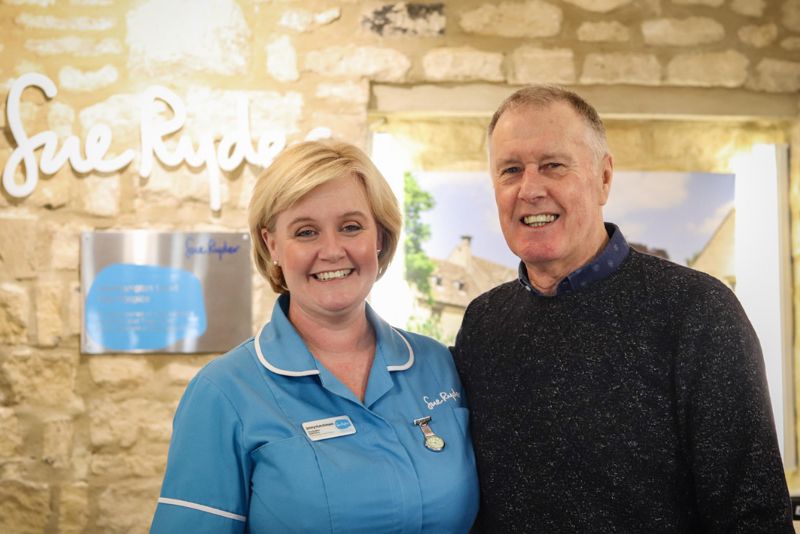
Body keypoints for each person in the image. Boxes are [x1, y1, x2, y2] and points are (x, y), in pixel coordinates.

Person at [452, 85, 793, 532]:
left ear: (604, 178)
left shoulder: (697, 311)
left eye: (553, 165)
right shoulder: (482, 323)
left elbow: (753, 516)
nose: (530, 188)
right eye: (510, 170)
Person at [151, 140, 479, 532]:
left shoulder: (436, 365)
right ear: (272, 244)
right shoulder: (224, 393)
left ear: (379, 237)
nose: (332, 250)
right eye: (306, 232)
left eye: (351, 227)